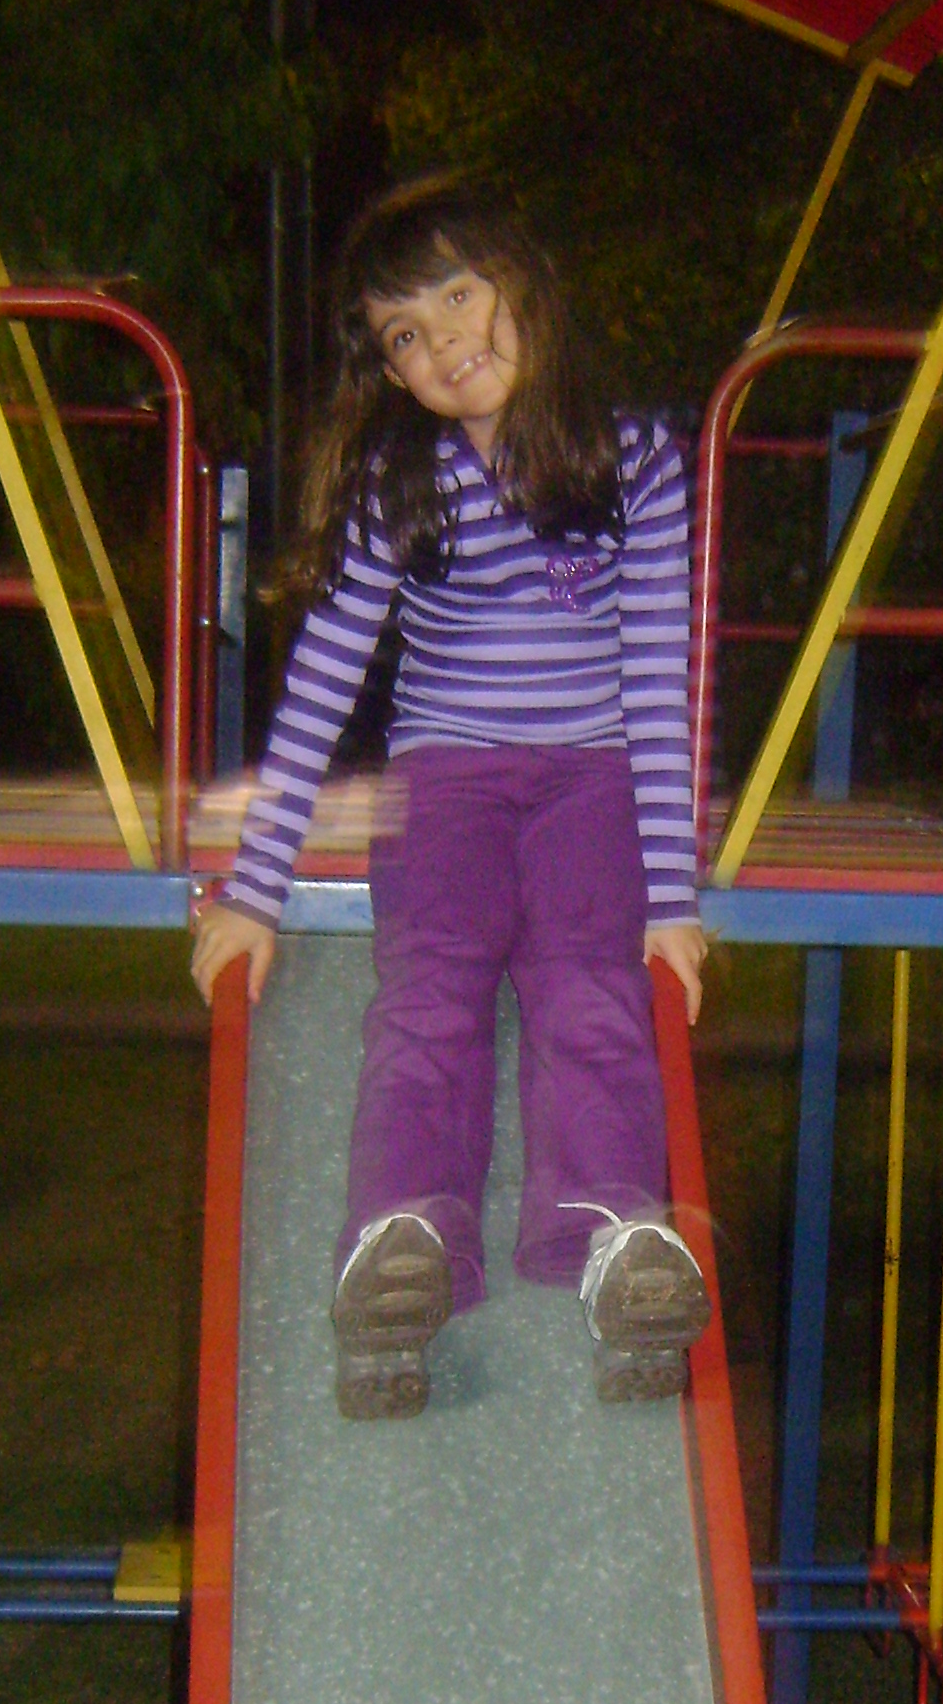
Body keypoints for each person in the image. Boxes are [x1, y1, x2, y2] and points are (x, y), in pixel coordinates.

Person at [191, 176, 712, 1420]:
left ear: (522, 284)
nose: (443, 344)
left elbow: (656, 678)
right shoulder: (402, 479)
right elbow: (325, 675)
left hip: (592, 777)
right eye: (404, 335)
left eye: (459, 299)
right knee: (430, 992)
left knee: (591, 989)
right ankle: (403, 1239)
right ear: (388, 370)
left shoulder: (635, 459)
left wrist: (673, 898)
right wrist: (254, 891)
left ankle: (612, 1236)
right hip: (446, 781)